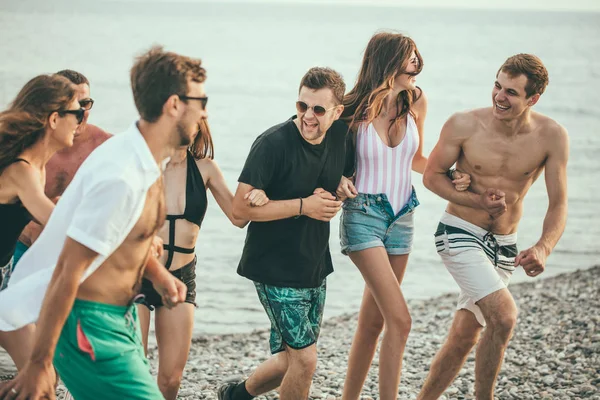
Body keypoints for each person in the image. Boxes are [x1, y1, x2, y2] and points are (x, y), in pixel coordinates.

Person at [0, 45, 210, 399]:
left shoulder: (143, 159)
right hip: (89, 325)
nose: (204, 113)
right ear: (174, 104)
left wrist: (158, 276)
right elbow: (67, 267)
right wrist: (38, 363)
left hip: (119, 320)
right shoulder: (121, 175)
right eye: (201, 102)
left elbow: (120, 236)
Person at [417, 54, 568, 400]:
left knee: (464, 337)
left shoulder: (552, 136)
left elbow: (558, 203)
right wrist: (476, 200)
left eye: (511, 92)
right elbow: (431, 176)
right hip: (458, 232)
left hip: (504, 244)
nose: (499, 96)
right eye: (497, 86)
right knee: (504, 316)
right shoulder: (464, 124)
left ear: (533, 99)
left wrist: (544, 247)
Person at [335, 32, 470, 400]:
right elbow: (326, 159)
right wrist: (337, 180)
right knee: (401, 320)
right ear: (387, 61)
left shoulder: (416, 102)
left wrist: (452, 174)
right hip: (363, 215)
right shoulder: (351, 108)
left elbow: (416, 159)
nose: (416, 66)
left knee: (374, 320)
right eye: (410, 59)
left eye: (416, 59)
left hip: (402, 216)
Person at [217, 67, 348, 400]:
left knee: (290, 359)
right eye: (302, 106)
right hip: (274, 268)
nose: (308, 116)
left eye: (318, 109)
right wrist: (304, 206)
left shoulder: (340, 136)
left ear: (337, 112)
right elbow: (239, 211)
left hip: (314, 265)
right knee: (305, 360)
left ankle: (235, 396)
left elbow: (334, 173)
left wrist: (343, 183)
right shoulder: (271, 144)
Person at [137, 117, 268, 400]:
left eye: (191, 120)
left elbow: (238, 217)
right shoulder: (146, 164)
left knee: (171, 379)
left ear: (200, 125)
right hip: (139, 274)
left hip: (181, 277)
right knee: (133, 367)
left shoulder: (205, 168)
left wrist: (259, 195)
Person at [0, 74, 82, 372]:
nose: (81, 121)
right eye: (77, 113)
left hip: (4, 286)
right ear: (54, 119)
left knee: (43, 377)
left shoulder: (37, 167)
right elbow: (59, 224)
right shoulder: (21, 170)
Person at [13, 69, 112, 266]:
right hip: (20, 249)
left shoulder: (106, 147)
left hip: (71, 252)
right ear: (54, 114)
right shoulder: (24, 156)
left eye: (86, 104)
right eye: (74, 107)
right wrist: (30, 229)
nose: (81, 114)